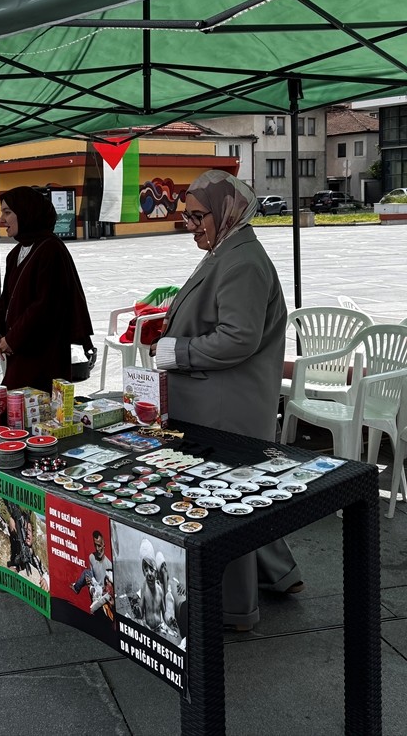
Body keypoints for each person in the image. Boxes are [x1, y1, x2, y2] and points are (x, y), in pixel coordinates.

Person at [151, 169, 304, 630]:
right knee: (242, 495)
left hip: (225, 404)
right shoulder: (228, 249)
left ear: (225, 211)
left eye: (198, 216)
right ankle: (280, 575)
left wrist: (179, 350)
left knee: (222, 503)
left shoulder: (242, 260)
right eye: (186, 217)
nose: (191, 225)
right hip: (216, 397)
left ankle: (236, 610)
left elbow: (239, 338)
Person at [0, 187, 93, 392]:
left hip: (44, 354)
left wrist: (12, 338)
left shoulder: (51, 250)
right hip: (20, 351)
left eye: (7, 212)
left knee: (37, 410)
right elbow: (6, 300)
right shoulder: (16, 253)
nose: (2, 220)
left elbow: (45, 305)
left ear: (27, 212)